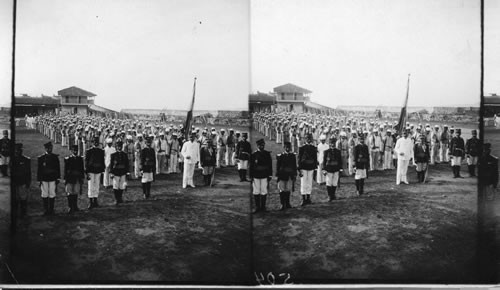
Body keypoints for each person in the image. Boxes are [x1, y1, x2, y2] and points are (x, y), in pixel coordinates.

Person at [37, 141, 60, 215]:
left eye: (51, 148)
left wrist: (58, 178)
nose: (50, 149)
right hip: (44, 178)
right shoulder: (41, 158)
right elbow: (39, 169)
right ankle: (46, 210)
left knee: (52, 193)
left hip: (52, 178)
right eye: (48, 148)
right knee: (44, 194)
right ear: (45, 149)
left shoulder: (55, 157)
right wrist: (39, 179)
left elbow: (57, 168)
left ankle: (51, 209)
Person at [250, 139, 272, 213]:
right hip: (256, 175)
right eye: (260, 145)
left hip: (264, 175)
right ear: (257, 146)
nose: (261, 146)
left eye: (262, 145)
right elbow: (251, 166)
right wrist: (251, 176)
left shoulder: (267, 154)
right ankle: (257, 207)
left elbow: (270, 165)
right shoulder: (254, 154)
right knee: (256, 191)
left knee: (264, 191)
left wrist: (270, 175)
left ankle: (263, 207)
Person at [85, 137, 105, 209]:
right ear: (92, 143)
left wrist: (102, 170)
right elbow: (86, 162)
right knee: (90, 186)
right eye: (94, 142)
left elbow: (102, 161)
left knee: (96, 185)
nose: (96, 143)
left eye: (97, 142)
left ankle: (95, 200)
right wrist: (87, 171)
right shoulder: (89, 151)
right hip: (91, 170)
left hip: (98, 170)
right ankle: (91, 201)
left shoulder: (101, 151)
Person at [276, 141, 297, 210]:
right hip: (282, 175)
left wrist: (294, 174)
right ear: (284, 148)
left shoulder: (292, 156)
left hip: (289, 175)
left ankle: (287, 203)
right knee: (282, 190)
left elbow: (294, 166)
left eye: (289, 147)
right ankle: (282, 204)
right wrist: (278, 175)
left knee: (288, 189)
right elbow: (278, 166)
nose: (287, 149)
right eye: (286, 147)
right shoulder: (280, 156)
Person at [297, 133, 318, 205]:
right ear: (305, 139)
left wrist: (315, 168)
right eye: (307, 138)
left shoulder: (313, 148)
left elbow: (315, 159)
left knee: (309, 182)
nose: (309, 139)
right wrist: (299, 168)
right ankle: (303, 198)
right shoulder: (302, 148)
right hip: (303, 167)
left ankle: (308, 198)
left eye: (310, 138)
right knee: (303, 183)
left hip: (311, 167)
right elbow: (299, 158)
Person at [64, 145, 85, 213]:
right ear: (71, 151)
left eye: (76, 150)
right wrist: (65, 179)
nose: (75, 151)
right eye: (74, 150)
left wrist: (82, 178)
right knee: (70, 192)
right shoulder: (68, 159)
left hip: (77, 178)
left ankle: (75, 206)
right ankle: (70, 206)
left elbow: (82, 169)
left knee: (75, 192)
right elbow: (65, 170)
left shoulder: (80, 159)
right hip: (70, 178)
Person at [12, 143, 31, 218]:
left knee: (23, 198)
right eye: (16, 150)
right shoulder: (12, 160)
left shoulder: (26, 160)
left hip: (22, 181)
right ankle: (15, 213)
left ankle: (23, 213)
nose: (18, 152)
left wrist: (28, 181)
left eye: (19, 150)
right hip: (14, 182)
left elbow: (28, 172)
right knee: (15, 198)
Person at [322, 136, 342, 201]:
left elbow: (340, 161)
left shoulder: (338, 151)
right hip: (329, 169)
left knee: (334, 183)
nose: (332, 144)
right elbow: (324, 161)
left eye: (333, 143)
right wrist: (324, 169)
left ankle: (333, 194)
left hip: (336, 169)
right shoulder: (326, 152)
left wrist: (340, 168)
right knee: (328, 182)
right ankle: (329, 195)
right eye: (331, 143)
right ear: (329, 143)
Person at [110, 139, 129, 204]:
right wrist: (111, 172)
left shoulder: (124, 154)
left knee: (121, 186)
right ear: (116, 147)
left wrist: (127, 171)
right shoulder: (113, 155)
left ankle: (120, 198)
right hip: (116, 172)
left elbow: (127, 164)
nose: (119, 147)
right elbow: (111, 165)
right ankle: (116, 199)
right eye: (118, 146)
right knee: (115, 186)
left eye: (120, 146)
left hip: (123, 172)